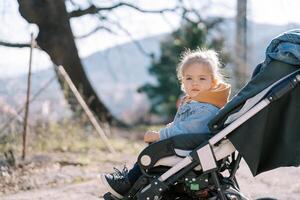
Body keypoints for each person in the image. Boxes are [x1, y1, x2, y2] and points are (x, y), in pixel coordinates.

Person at [100, 48, 231, 199]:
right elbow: (181, 124)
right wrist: (167, 129)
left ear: (212, 82)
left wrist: (160, 135)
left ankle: (128, 184)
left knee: (151, 154)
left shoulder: (206, 108)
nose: (195, 83)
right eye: (189, 78)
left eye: (202, 79)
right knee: (153, 152)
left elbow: (188, 129)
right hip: (187, 146)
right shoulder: (197, 102)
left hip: (188, 148)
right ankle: (133, 185)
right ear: (182, 80)